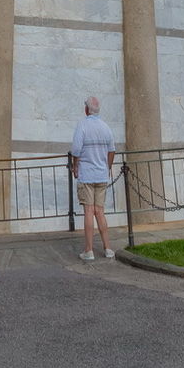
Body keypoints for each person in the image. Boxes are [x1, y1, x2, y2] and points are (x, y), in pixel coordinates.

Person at [70, 95, 116, 261]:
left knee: (89, 211)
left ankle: (89, 250)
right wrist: (108, 166)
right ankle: (108, 248)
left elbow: (76, 149)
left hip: (87, 174)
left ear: (86, 109)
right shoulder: (105, 127)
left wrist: (75, 166)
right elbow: (112, 150)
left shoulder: (82, 125)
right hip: (101, 174)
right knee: (100, 212)